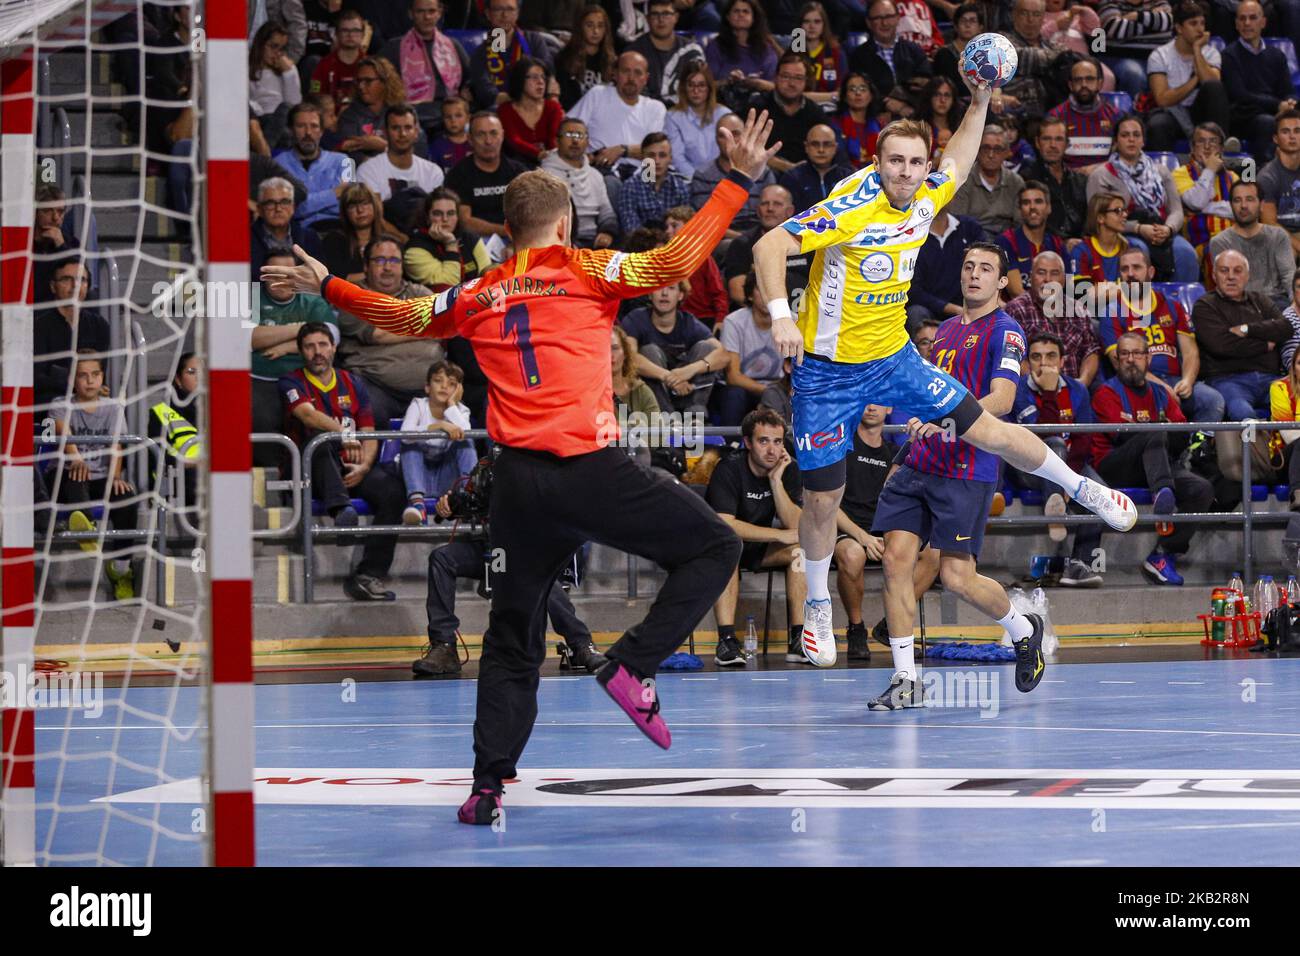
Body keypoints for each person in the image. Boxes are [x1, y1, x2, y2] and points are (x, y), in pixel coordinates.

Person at [262, 109, 779, 824]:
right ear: (564, 225)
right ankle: (632, 663)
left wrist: (332, 285)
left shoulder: (481, 292)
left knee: (512, 636)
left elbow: (402, 316)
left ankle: (485, 786)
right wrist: (735, 182)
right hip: (589, 469)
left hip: (517, 486)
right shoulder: (589, 270)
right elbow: (674, 264)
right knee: (716, 545)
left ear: (507, 232)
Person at [751, 86, 1138, 675]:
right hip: (827, 372)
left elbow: (959, 153)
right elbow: (768, 244)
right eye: (894, 161)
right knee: (822, 496)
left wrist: (980, 100)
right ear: (876, 163)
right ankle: (821, 605)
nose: (906, 172)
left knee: (989, 429)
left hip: (892, 356)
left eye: (915, 162)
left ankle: (1086, 491)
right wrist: (781, 317)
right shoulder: (849, 206)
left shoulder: (930, 189)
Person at [869, 243, 1038, 708]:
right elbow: (931, 395)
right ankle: (906, 680)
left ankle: (1024, 629)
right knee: (895, 560)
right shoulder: (943, 330)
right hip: (921, 460)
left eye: (986, 269)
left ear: (1002, 282)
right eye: (968, 267)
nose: (975, 275)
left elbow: (1002, 400)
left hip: (967, 468)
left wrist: (947, 424)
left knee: (957, 578)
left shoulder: (1006, 332)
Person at [414, 484, 606, 676]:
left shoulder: (535, 470)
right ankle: (444, 647)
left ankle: (581, 644)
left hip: (526, 550)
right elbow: (468, 497)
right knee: (442, 559)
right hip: (491, 547)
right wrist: (449, 504)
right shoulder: (486, 467)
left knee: (538, 577)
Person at [280, 321, 406, 602]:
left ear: (334, 348)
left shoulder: (353, 382)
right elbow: (308, 416)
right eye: (310, 346)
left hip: (351, 468)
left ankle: (367, 575)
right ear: (301, 351)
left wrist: (364, 466)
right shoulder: (291, 381)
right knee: (319, 442)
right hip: (311, 472)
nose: (317, 352)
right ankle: (341, 513)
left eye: (323, 345)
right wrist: (347, 436)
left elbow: (370, 432)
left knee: (393, 491)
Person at [1091, 330, 1215, 585]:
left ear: (1148, 359)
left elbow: (1182, 432)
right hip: (1114, 465)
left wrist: (1164, 429)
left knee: (1201, 489)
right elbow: (1121, 437)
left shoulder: (1160, 394)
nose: (1130, 359)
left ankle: (1162, 554)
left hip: (1156, 464)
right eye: (1123, 354)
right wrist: (1162, 427)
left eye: (1137, 354)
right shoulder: (1107, 392)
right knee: (1152, 434)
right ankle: (1163, 493)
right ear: (1116, 360)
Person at [705, 409, 807, 665]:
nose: (772, 450)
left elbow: (795, 526)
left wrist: (776, 482)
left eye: (777, 441)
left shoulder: (787, 468)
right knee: (730, 546)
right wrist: (778, 535)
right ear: (748, 443)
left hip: (758, 547)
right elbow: (726, 525)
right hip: (719, 546)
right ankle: (726, 642)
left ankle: (799, 639)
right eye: (763, 441)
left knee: (799, 551)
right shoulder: (728, 469)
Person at [1010, 332, 1105, 583]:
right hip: (1028, 468)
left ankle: (1079, 566)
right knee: (1053, 443)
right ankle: (1055, 515)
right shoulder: (1017, 390)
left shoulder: (1078, 390)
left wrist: (1067, 479)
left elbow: (1084, 440)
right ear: (1027, 363)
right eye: (1036, 357)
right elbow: (1042, 437)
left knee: (1100, 494)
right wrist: (1049, 393)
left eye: (1051, 356)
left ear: (1063, 361)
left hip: (1071, 464)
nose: (1044, 363)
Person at [53, 354, 138, 602]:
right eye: (83, 375)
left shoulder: (113, 407)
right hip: (69, 475)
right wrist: (76, 458)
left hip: (100, 478)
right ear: (73, 380)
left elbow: (116, 447)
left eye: (95, 375)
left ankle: (121, 570)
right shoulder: (59, 404)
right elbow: (62, 431)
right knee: (75, 478)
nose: (90, 381)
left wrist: (115, 477)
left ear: (102, 377)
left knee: (126, 496)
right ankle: (87, 530)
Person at [335, 235, 441, 425]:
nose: (387, 267)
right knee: (368, 411)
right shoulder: (351, 297)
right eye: (380, 260)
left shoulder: (419, 293)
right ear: (366, 266)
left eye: (394, 261)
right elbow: (378, 334)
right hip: (375, 385)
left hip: (427, 388)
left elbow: (439, 323)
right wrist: (421, 326)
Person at [251, 251, 340, 464]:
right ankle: (270, 482)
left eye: (288, 274)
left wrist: (285, 346)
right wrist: (303, 328)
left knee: (316, 425)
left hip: (308, 379)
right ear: (263, 276)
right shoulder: (252, 297)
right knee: (260, 421)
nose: (282, 280)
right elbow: (249, 338)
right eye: (275, 274)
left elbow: (332, 336)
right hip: (260, 380)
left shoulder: (312, 299)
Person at [1193, 248, 1293, 420]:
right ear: (1214, 275)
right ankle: (1253, 447)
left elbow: (1285, 328)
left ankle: (1291, 447)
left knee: (1295, 405)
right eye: (1224, 270)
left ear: (1247, 276)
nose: (1231, 276)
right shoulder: (1205, 306)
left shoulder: (1260, 300)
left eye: (1237, 271)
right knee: (1243, 412)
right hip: (1228, 380)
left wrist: (1247, 329)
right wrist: (1264, 344)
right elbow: (1222, 345)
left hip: (1271, 378)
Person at [621, 280, 728, 413]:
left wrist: (690, 370)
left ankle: (695, 412)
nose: (664, 293)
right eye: (659, 288)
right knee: (649, 351)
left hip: (687, 390)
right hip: (654, 395)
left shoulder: (689, 322)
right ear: (649, 294)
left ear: (680, 295)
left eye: (671, 288)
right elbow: (629, 357)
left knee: (706, 348)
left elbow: (724, 354)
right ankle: (665, 414)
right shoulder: (636, 319)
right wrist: (668, 377)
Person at [1144, 1, 1232, 152]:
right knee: (1158, 123)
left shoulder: (1211, 53)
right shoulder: (1159, 55)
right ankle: (1164, 171)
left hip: (1202, 112)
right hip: (1173, 112)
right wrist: (1194, 80)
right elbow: (1163, 99)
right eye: (1193, 24)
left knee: (1213, 87)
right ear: (1179, 28)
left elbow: (1212, 84)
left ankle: (1220, 149)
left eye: (1202, 23)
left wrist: (1197, 50)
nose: (1200, 29)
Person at [378, 0, 470, 141]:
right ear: (411, 14)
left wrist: (468, 90)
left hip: (449, 111)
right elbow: (377, 77)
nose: (426, 17)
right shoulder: (394, 47)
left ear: (439, 13)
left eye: (431, 11)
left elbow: (471, 77)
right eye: (420, 12)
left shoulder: (452, 45)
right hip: (412, 112)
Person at [1005, 250, 1101, 386]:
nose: (1048, 279)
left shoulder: (1078, 309)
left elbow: (1090, 352)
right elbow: (1012, 356)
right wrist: (1041, 384)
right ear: (1031, 277)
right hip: (1032, 392)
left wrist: (1082, 383)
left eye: (1054, 273)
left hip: (1073, 392)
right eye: (1041, 272)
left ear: (1063, 280)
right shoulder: (1015, 309)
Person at [399, 360, 476, 525]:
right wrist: (439, 425)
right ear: (427, 387)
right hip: (419, 476)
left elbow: (466, 433)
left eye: (452, 384)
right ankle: (418, 505)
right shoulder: (418, 405)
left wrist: (451, 405)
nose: (444, 386)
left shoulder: (461, 411)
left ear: (459, 391)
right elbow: (405, 435)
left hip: (447, 478)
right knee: (410, 445)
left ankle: (467, 497)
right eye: (438, 380)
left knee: (465, 443)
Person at [567, 51, 668, 173]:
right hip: (601, 169)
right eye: (626, 71)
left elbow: (656, 150)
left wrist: (622, 150)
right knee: (610, 184)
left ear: (646, 78)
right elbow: (569, 128)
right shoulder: (598, 94)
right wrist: (583, 154)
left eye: (637, 73)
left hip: (643, 174)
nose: (631, 78)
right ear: (614, 74)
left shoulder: (656, 108)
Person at [33, 259, 111, 410]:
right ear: (52, 286)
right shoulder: (37, 324)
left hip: (87, 406)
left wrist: (59, 374)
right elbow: (37, 378)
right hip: (46, 408)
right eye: (66, 279)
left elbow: (99, 374)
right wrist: (77, 381)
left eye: (82, 280)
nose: (75, 286)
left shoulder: (99, 325)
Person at [1221, 0, 1295, 158]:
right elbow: (1240, 95)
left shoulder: (1277, 55)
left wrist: (1290, 102)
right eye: (1242, 18)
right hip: (1245, 117)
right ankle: (1262, 173)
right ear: (1236, 24)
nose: (1247, 23)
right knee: (1266, 122)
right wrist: (1277, 105)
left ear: (1263, 22)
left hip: (1275, 113)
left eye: (1253, 18)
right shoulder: (1229, 55)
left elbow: (1288, 90)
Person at [444, 112, 529, 247]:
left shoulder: (518, 172)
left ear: (502, 135)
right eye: (481, 134)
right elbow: (465, 222)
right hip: (476, 242)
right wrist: (506, 231)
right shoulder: (458, 174)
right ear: (470, 139)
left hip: (518, 239)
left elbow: (529, 213)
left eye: (494, 133)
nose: (488, 141)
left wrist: (515, 241)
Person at [1208, 180, 1296, 310]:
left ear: (1261, 205)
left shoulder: (1278, 236)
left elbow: (1289, 276)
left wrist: (1296, 307)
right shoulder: (1220, 242)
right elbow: (1227, 286)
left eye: (1249, 199)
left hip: (1277, 303)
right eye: (1237, 200)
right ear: (1231, 206)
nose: (1243, 205)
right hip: (1240, 305)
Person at [689, 112, 777, 236]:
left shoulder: (764, 172)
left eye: (735, 134)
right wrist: (742, 239)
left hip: (760, 233)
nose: (729, 140)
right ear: (716, 140)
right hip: (720, 236)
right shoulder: (703, 175)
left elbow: (775, 214)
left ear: (746, 136)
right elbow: (702, 221)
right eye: (722, 136)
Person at [722, 184, 808, 308]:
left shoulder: (805, 241)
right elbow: (738, 293)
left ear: (790, 211)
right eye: (764, 204)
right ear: (758, 210)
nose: (770, 209)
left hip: (803, 316)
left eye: (777, 204)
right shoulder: (742, 245)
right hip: (760, 316)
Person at [273, 101, 354, 232]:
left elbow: (348, 205)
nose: (308, 133)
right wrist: (333, 194)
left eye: (314, 126)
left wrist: (304, 203)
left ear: (322, 131)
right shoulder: (278, 164)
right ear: (291, 130)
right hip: (297, 233)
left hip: (339, 230)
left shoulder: (344, 161)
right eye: (301, 126)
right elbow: (288, 210)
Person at [541, 118, 619, 248]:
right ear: (557, 140)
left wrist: (607, 233)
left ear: (587, 142)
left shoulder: (596, 175)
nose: (575, 140)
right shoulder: (544, 176)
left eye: (580, 136)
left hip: (595, 241)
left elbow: (606, 212)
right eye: (569, 135)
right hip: (560, 241)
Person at [1173, 121, 1237, 280]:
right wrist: (1210, 170)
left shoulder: (1233, 177)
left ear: (1221, 148)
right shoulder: (1180, 174)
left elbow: (1243, 210)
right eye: (1201, 141)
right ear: (1192, 148)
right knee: (1217, 251)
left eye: (1213, 141)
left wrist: (1206, 208)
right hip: (1200, 242)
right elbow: (1197, 202)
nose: (1207, 147)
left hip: (1234, 239)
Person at [717, 272, 783, 424]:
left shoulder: (791, 320)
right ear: (750, 295)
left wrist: (777, 393)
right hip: (746, 387)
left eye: (772, 290)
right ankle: (730, 445)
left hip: (779, 388)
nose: (768, 296)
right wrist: (768, 392)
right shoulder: (734, 322)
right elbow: (733, 376)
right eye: (761, 289)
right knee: (734, 394)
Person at [466, 0, 555, 110]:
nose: (505, 15)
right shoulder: (480, 53)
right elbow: (484, 88)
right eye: (498, 9)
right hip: (500, 108)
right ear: (488, 14)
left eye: (510, 9)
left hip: (534, 102)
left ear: (517, 13)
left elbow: (547, 70)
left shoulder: (534, 40)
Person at [750, 53, 828, 175]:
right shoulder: (757, 107)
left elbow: (826, 148)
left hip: (807, 174)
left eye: (798, 78)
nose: (791, 83)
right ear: (776, 77)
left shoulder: (815, 112)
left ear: (806, 81)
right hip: (764, 172)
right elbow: (748, 149)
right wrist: (787, 167)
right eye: (786, 76)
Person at [907, 205, 987, 327]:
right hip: (928, 309)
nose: (941, 194)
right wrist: (953, 309)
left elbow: (986, 268)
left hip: (968, 305)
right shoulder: (910, 235)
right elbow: (913, 291)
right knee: (915, 313)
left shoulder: (970, 227)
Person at [402, 187, 492, 290]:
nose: (445, 219)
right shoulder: (414, 250)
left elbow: (488, 277)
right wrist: (450, 244)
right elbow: (449, 286)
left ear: (457, 217)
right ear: (427, 217)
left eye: (450, 213)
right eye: (438, 213)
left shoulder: (470, 239)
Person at [337, 57, 417, 167]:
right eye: (359, 81)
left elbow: (418, 150)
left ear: (385, 82)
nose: (361, 86)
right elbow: (349, 154)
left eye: (368, 81)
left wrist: (383, 146)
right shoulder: (349, 116)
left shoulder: (404, 113)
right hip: (363, 176)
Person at [356, 104, 445, 202]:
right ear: (385, 132)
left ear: (416, 132)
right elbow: (374, 214)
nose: (402, 134)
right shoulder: (368, 171)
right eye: (395, 128)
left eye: (408, 127)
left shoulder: (432, 172)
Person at [948, 125, 1025, 237]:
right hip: (972, 240)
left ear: (1007, 153)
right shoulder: (963, 180)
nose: (991, 155)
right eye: (986, 148)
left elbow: (1020, 224)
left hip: (1007, 242)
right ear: (977, 150)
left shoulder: (1016, 182)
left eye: (997, 149)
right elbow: (958, 222)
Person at [1047, 57, 1122, 173]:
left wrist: (1097, 169)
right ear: (1070, 85)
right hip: (1067, 182)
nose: (1084, 85)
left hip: (1105, 179)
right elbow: (1049, 158)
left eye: (1090, 79)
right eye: (1078, 80)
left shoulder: (1115, 115)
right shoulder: (1056, 116)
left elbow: (1123, 157)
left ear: (1100, 83)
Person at [997, 180, 1068, 299]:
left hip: (1054, 309)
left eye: (1038, 201)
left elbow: (1068, 286)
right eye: (1026, 203)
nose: (1032, 207)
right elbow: (1016, 292)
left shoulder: (1057, 244)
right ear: (1020, 209)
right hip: (1019, 312)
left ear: (1049, 207)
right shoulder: (1006, 241)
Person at [1019, 116, 1088, 239]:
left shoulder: (1081, 181)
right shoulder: (1026, 179)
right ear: (1037, 142)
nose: (1053, 145)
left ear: (1067, 144)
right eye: (1047, 139)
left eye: (1059, 139)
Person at [848, 0, 932, 99]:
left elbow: (927, 83)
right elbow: (861, 92)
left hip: (914, 109)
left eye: (889, 17)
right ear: (869, 23)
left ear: (898, 18)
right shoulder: (858, 56)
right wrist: (886, 103)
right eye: (878, 18)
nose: (885, 23)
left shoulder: (914, 50)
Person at [706, 0, 781, 109]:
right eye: (736, 11)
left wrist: (757, 83)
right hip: (723, 105)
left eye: (746, 11)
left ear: (754, 18)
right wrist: (728, 81)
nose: (741, 14)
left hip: (760, 105)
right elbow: (708, 85)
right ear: (728, 16)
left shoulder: (766, 48)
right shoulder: (715, 46)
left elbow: (776, 87)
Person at [629, 0, 705, 106]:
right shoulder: (634, 53)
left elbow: (702, 90)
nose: (661, 20)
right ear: (647, 19)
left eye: (666, 14)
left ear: (676, 17)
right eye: (655, 14)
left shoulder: (692, 50)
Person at [998, 0, 1065, 119]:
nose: (1030, 19)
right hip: (1013, 117)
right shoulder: (1001, 41)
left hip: (1049, 118)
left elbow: (1065, 57)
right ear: (1014, 15)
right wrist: (1054, 59)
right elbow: (1018, 57)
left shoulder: (1051, 45)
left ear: (1043, 17)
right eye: (1024, 13)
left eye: (1036, 14)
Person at [665, 205, 730, 327]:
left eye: (674, 226)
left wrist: (720, 319)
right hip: (674, 320)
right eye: (667, 227)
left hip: (703, 319)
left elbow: (718, 293)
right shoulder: (663, 258)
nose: (668, 231)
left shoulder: (702, 258)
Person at [665, 63, 732, 180]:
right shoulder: (673, 116)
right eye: (691, 85)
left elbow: (731, 153)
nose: (696, 91)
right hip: (689, 180)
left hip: (723, 178)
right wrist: (699, 180)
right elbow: (677, 158)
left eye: (701, 85)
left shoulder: (725, 115)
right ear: (683, 88)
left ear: (709, 88)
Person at [617, 132, 692, 234]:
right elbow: (632, 231)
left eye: (662, 155)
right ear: (643, 158)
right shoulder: (630, 188)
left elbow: (685, 227)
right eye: (651, 155)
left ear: (670, 158)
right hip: (641, 246)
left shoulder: (680, 187)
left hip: (674, 245)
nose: (656, 161)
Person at [1098, 0, 1176, 96]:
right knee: (1133, 74)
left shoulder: (1158, 2)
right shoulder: (1110, 3)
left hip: (1159, 58)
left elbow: (1168, 22)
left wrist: (1135, 16)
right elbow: (1114, 28)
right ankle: (1135, 110)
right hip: (1122, 57)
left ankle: (1168, 111)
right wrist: (1153, 21)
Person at [251, 176, 325, 274]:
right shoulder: (243, 240)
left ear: (293, 207)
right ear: (259, 209)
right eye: (270, 203)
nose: (278, 209)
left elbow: (319, 276)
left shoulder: (309, 237)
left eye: (284, 202)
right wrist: (260, 289)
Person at [497, 57, 565, 164]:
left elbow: (554, 141)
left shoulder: (553, 107)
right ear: (520, 79)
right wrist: (539, 154)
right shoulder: (505, 110)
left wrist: (549, 158)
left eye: (543, 77)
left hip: (550, 163)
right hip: (515, 164)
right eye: (534, 77)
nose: (541, 82)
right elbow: (514, 141)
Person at [779, 124, 856, 214]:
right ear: (806, 147)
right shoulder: (792, 178)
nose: (821, 150)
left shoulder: (849, 177)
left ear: (835, 147)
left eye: (827, 144)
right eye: (815, 144)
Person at [250, 22, 303, 153]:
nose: (277, 53)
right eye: (273, 46)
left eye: (282, 48)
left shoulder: (288, 69)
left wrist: (289, 73)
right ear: (261, 45)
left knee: (285, 109)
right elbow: (246, 102)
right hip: (260, 119)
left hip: (283, 120)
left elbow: (295, 105)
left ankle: (265, 151)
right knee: (283, 133)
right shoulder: (248, 68)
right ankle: (266, 151)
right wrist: (261, 113)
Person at [554, 4, 616, 110]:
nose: (595, 31)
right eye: (589, 25)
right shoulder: (565, 58)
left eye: (600, 26)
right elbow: (564, 99)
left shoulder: (612, 61)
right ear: (580, 27)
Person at [319, 182, 385, 281]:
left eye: (365, 203)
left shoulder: (387, 241)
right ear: (345, 212)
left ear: (375, 206)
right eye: (352, 206)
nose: (360, 210)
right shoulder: (334, 241)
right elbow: (336, 279)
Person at [1260, 108, 1300, 260]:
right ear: (1276, 139)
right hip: (1279, 236)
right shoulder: (1267, 177)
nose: (1292, 136)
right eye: (1285, 131)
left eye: (1297, 131)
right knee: (1287, 253)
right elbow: (1270, 224)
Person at [310, 8, 367, 113]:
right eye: (345, 30)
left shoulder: (370, 65)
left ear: (363, 34)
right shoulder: (323, 65)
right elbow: (315, 98)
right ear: (336, 34)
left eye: (355, 30)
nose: (350, 35)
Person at [1072, 191, 1133, 282]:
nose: (1125, 215)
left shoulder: (1130, 248)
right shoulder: (1082, 251)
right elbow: (1079, 291)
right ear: (1100, 218)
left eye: (1124, 210)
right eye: (1118, 211)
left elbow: (1139, 289)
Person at [831, 71, 885, 169]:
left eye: (863, 89)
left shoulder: (880, 126)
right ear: (844, 96)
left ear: (871, 96)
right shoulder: (835, 124)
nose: (858, 93)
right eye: (852, 89)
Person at [798, 2, 848, 105]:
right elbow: (790, 93)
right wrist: (831, 96)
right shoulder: (793, 53)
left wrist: (803, 96)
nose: (812, 26)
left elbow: (843, 92)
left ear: (824, 25)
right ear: (800, 25)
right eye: (807, 21)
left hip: (831, 110)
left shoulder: (836, 53)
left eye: (817, 22)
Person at [427, 95, 472, 171]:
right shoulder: (436, 146)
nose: (453, 120)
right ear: (442, 119)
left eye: (458, 116)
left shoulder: (476, 143)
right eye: (448, 117)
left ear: (468, 118)